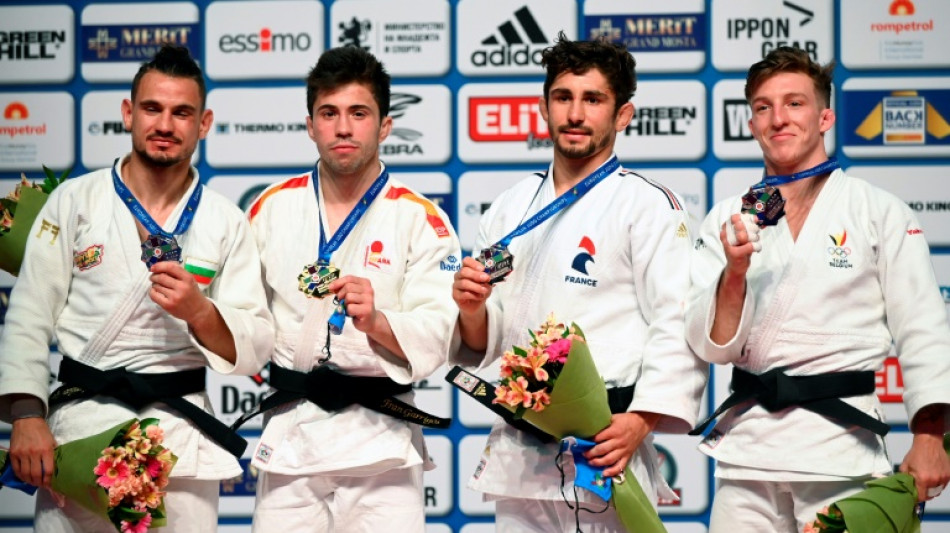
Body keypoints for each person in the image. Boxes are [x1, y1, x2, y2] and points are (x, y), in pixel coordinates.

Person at [0, 45, 274, 531]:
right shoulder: (75, 201)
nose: (165, 124)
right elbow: (27, 315)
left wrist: (200, 311)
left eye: (182, 112)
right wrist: (26, 415)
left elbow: (254, 347)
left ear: (203, 123)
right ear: (129, 113)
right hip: (80, 433)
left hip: (179, 441)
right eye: (152, 108)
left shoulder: (224, 221)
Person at [685, 45, 950, 532]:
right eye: (763, 107)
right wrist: (735, 275)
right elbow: (709, 345)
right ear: (750, 124)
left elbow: (925, 329)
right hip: (749, 456)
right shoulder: (727, 217)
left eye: (794, 103)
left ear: (825, 116)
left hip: (840, 451)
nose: (778, 118)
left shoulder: (878, 211)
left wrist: (930, 434)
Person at [450, 33, 706, 532]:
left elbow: (675, 321)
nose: (575, 113)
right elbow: (486, 341)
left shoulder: (648, 205)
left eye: (593, 100)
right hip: (522, 452)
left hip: (604, 443)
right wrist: (472, 309)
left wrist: (642, 420)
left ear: (623, 115)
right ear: (544, 108)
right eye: (563, 97)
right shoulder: (509, 205)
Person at [245, 46, 460, 533]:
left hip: (379, 444)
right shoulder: (270, 209)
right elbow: (241, 315)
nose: (343, 127)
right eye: (330, 113)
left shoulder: (420, 217)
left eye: (358, 113)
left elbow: (445, 327)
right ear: (311, 125)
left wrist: (378, 321)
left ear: (384, 126)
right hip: (291, 435)